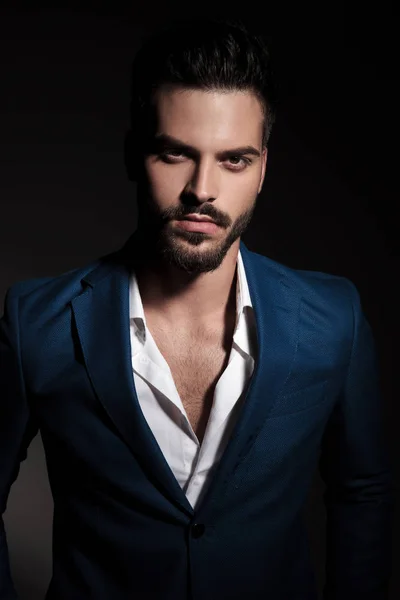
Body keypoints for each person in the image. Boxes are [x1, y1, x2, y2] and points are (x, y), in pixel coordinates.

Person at [0, 15, 394, 600]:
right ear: (136, 154)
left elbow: (365, 492)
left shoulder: (334, 318)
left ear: (262, 168)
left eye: (233, 159)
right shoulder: (39, 324)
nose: (202, 189)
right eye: (175, 154)